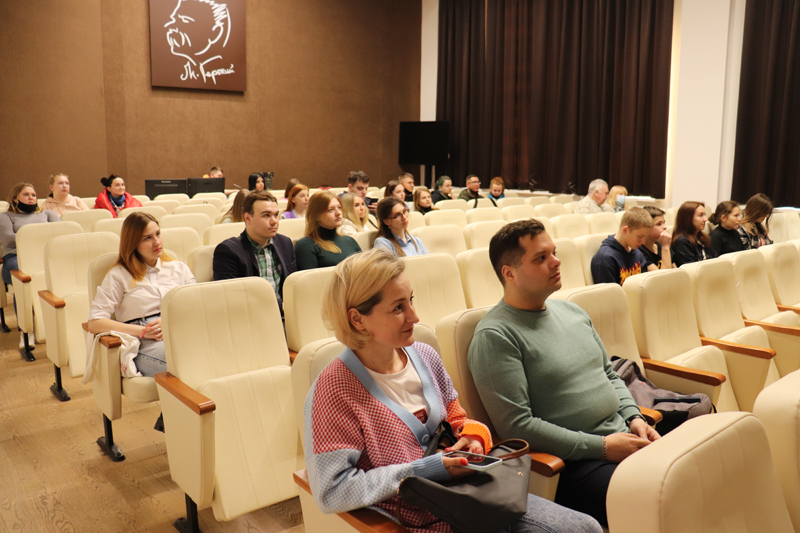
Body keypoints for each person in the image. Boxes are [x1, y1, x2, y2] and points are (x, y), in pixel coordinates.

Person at [305, 249, 602, 533]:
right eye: (398, 308)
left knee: (586, 527)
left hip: (472, 496)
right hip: (417, 519)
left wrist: (474, 438)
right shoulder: (334, 389)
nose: (414, 316)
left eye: (410, 300)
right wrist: (426, 470)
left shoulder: (424, 356)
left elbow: (458, 421)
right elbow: (332, 490)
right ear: (357, 319)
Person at [468, 219, 658, 527]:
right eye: (541, 258)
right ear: (509, 273)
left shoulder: (572, 311)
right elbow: (518, 426)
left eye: (554, 253)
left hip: (622, 437)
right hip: (571, 466)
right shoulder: (496, 336)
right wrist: (604, 448)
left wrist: (635, 418)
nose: (556, 262)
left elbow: (609, 375)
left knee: (691, 471)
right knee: (663, 494)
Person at [88, 212, 196, 377]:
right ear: (133, 243)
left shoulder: (179, 268)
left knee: (210, 353)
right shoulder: (118, 275)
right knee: (185, 363)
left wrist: (169, 320)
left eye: (158, 234)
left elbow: (196, 306)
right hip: (145, 341)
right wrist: (142, 331)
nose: (157, 242)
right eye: (147, 238)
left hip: (181, 328)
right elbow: (95, 323)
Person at [213, 191, 296, 311]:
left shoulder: (285, 243)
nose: (274, 221)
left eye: (276, 215)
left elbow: (293, 286)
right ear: (248, 218)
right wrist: (281, 306)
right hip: (251, 317)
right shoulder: (227, 251)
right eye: (266, 215)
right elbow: (234, 299)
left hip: (287, 314)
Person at [1, 183, 60, 347]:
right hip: (16, 257)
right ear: (15, 198)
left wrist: (27, 235)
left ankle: (54, 327)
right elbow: (8, 239)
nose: (31, 198)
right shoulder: (5, 217)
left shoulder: (47, 213)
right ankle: (26, 332)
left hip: (43, 257)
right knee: (23, 283)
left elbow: (61, 232)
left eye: (33, 195)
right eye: (26, 195)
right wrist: (40, 235)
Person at [590, 208, 664, 286]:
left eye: (645, 237)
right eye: (640, 236)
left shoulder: (637, 253)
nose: (643, 242)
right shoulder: (605, 258)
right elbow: (609, 292)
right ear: (625, 230)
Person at [295, 191, 360, 270]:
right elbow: (309, 277)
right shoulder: (306, 245)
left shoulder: (350, 241)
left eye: (339, 207)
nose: (338, 213)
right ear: (317, 215)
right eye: (331, 209)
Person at [671, 201, 717, 267]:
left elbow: (715, 259)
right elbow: (690, 269)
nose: (705, 219)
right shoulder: (682, 242)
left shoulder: (703, 237)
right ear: (688, 218)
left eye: (704, 215)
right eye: (700, 215)